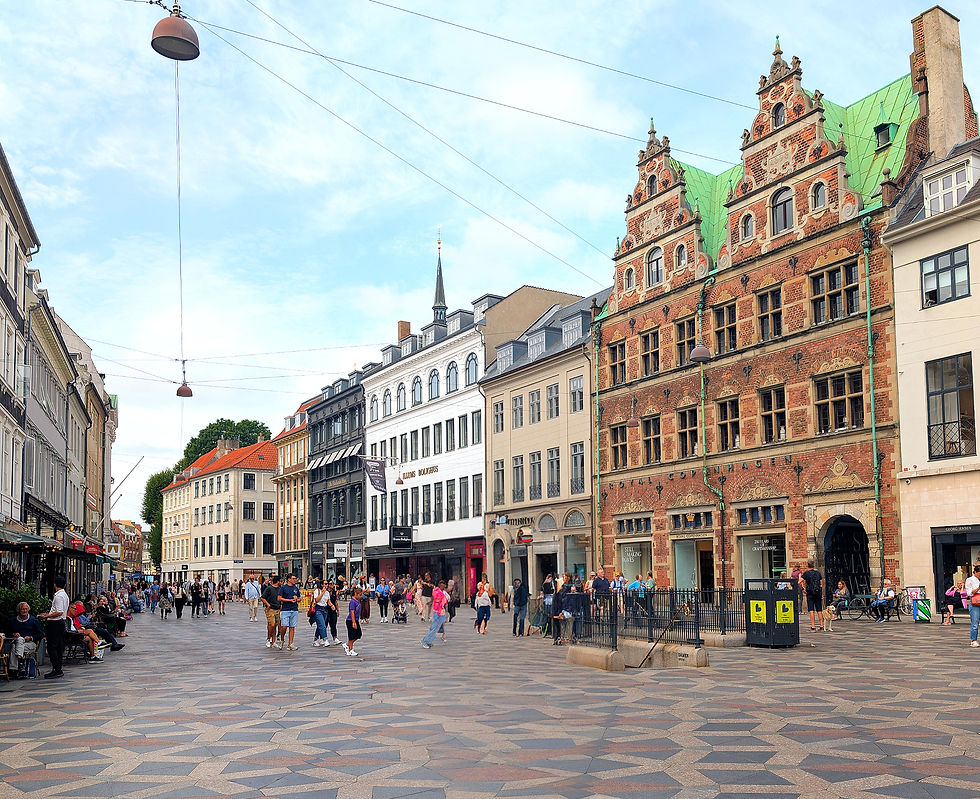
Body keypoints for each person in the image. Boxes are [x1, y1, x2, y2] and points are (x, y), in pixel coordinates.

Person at [39, 575, 70, 679]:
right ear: (64, 584)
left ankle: (57, 669)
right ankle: (58, 668)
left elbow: (59, 612)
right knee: (58, 647)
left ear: (55, 585)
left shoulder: (58, 596)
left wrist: (46, 615)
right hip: (60, 623)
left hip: (55, 623)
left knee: (52, 647)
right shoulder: (64, 595)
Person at [6, 602, 44, 678]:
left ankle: (14, 669)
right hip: (17, 643)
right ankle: (20, 664)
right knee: (16, 644)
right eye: (23, 609)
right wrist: (13, 634)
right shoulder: (13, 621)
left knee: (15, 646)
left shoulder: (33, 620)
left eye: (26, 609)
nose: (25, 611)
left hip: (30, 644)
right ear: (19, 610)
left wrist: (31, 637)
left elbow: (41, 634)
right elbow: (7, 633)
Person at [421, 580, 449, 649]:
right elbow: (439, 599)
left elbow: (447, 599)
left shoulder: (443, 592)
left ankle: (429, 641)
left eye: (444, 585)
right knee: (433, 628)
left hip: (441, 611)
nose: (443, 586)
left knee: (436, 628)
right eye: (441, 584)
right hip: (437, 612)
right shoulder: (437, 591)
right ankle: (425, 641)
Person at [277, 573, 302, 650]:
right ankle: (282, 639)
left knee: (292, 627)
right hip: (285, 609)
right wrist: (289, 600)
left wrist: (297, 599)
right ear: (289, 579)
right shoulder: (283, 588)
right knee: (284, 626)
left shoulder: (295, 588)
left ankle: (290, 643)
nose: (295, 580)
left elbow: (299, 598)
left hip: (294, 609)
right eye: (293, 578)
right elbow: (279, 598)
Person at [799, 561, 824, 631]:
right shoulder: (818, 573)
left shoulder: (806, 573)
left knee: (811, 610)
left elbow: (799, 582)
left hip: (810, 593)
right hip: (817, 593)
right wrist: (822, 594)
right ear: (813, 566)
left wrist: (803, 588)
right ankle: (821, 626)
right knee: (819, 610)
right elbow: (821, 584)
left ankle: (813, 626)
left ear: (807, 566)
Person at [261, 575, 282, 648]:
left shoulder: (280, 589)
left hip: (278, 609)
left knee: (276, 625)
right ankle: (268, 639)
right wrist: (268, 604)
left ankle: (274, 641)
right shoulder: (269, 588)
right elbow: (262, 598)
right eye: (280, 581)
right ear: (278, 581)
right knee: (271, 624)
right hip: (270, 609)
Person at [312, 580, 332, 646]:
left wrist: (332, 606)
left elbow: (328, 601)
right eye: (325, 584)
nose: (327, 585)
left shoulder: (327, 593)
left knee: (320, 625)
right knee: (323, 625)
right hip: (318, 609)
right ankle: (325, 639)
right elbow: (316, 600)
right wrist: (322, 593)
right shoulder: (317, 591)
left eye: (327, 584)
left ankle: (315, 640)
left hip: (324, 609)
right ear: (322, 585)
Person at [345, 586, 363, 657]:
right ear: (355, 594)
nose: (360, 596)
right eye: (359, 595)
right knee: (351, 636)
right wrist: (353, 622)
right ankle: (350, 649)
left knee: (358, 634)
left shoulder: (358, 601)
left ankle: (347, 645)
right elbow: (352, 612)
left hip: (356, 620)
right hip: (351, 620)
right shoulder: (352, 602)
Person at [966, 564, 980, 647]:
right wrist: (978, 588)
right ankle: (973, 640)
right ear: (975, 572)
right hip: (975, 602)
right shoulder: (970, 580)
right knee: (975, 622)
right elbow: (969, 593)